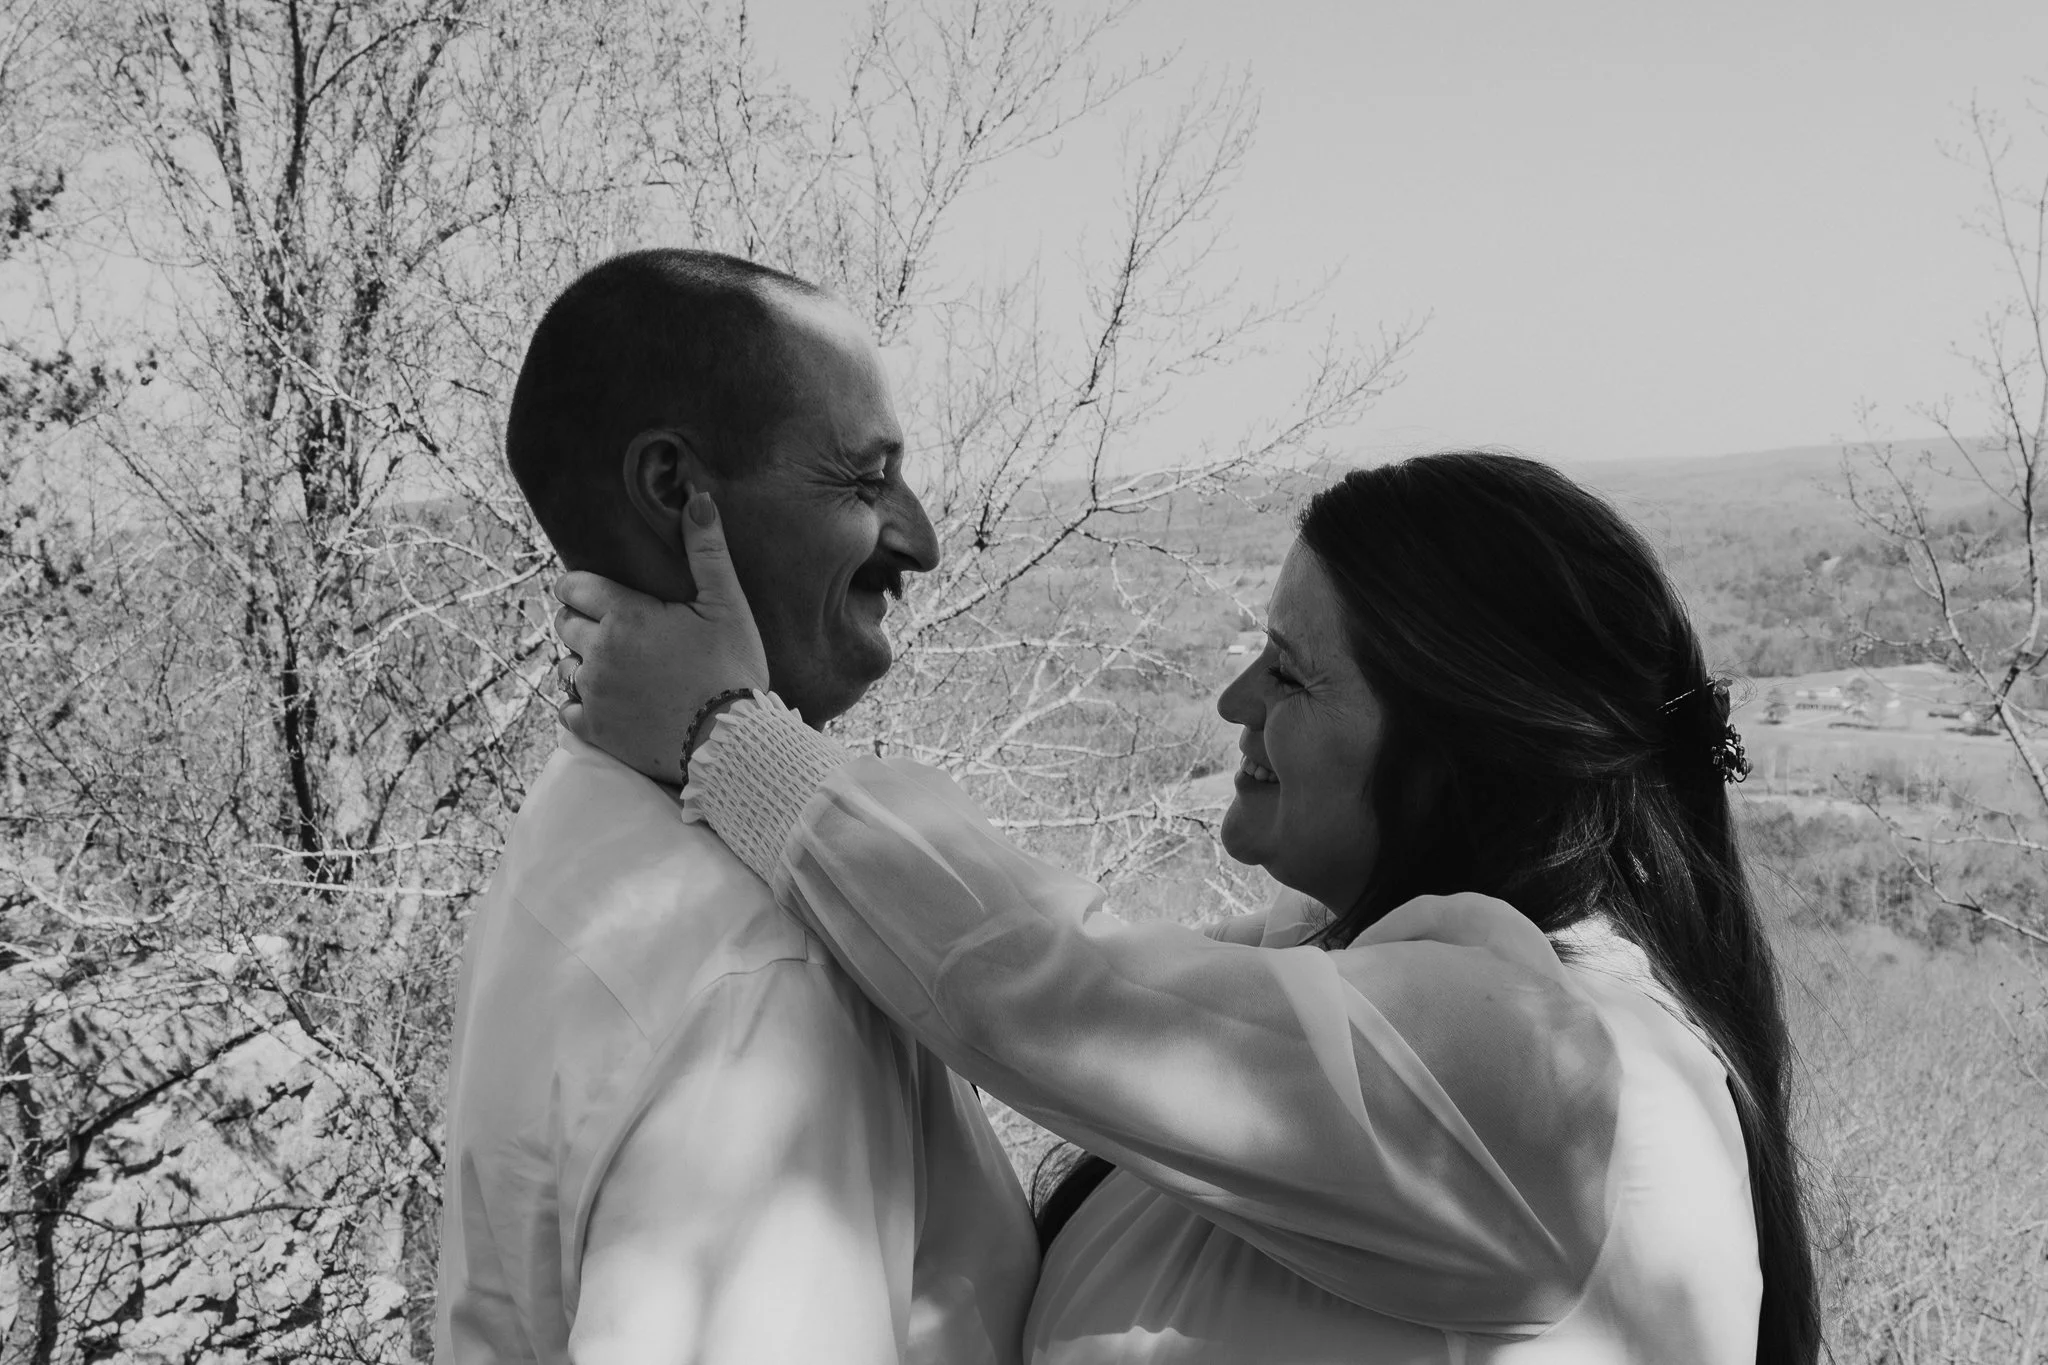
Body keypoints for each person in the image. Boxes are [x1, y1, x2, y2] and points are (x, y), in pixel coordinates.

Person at [553, 449, 1824, 1365]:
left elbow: (1054, 990)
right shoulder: (1386, 993)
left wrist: (731, 741)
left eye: (1291, 669)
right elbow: (1035, 993)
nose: (1233, 701)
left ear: (1461, 747)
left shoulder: (1545, 1059)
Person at [433, 248, 1037, 1365]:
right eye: (862, 481)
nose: (920, 539)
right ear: (674, 489)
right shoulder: (760, 967)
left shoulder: (576, 831)